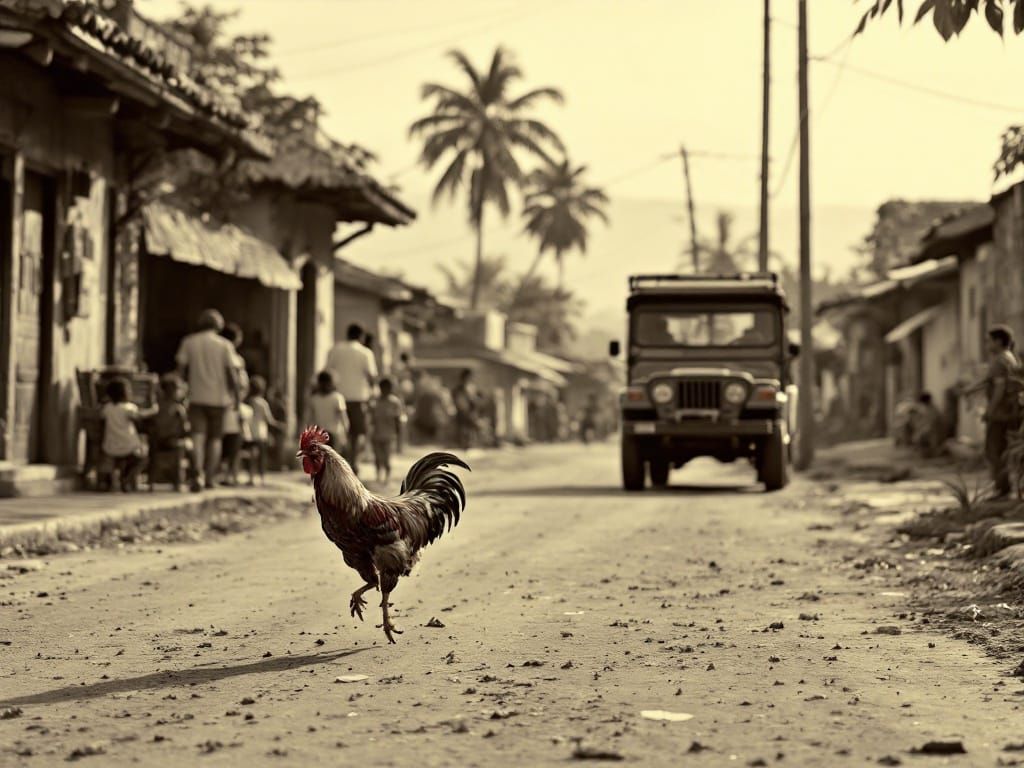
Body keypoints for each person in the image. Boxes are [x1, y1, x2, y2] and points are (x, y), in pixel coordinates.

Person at [175, 309, 240, 489]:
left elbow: (180, 372)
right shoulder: (225, 345)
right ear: (218, 325)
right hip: (219, 399)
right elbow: (231, 374)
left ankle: (197, 474)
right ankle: (210, 477)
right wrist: (237, 397)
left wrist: (180, 393)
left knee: (197, 437)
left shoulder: (188, 342)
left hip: (195, 396)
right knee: (215, 439)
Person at [964, 325, 1022, 497]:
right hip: (1010, 412)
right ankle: (1004, 488)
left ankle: (1002, 489)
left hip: (1001, 414)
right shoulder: (1008, 357)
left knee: (994, 451)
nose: (986, 345)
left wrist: (990, 411)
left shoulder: (1000, 360)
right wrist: (971, 389)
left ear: (998, 341)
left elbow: (999, 388)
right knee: (1002, 450)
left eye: (988, 341)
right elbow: (989, 381)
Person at [324, 323, 378, 476]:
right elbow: (372, 377)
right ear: (360, 336)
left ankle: (337, 464)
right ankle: (352, 463)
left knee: (337, 432)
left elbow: (327, 371)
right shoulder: (366, 353)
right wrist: (374, 395)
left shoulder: (335, 349)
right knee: (355, 433)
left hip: (336, 397)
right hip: (357, 399)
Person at [100, 377, 157, 492]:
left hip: (110, 447)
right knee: (143, 459)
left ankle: (110, 480)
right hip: (128, 447)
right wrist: (153, 410)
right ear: (125, 393)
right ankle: (127, 478)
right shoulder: (128, 408)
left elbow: (99, 417)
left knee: (117, 460)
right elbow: (140, 416)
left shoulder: (107, 408)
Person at [150, 373, 201, 492]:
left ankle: (155, 480)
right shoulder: (178, 409)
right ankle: (195, 477)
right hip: (172, 441)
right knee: (190, 448)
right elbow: (185, 428)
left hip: (157, 441)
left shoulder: (157, 406)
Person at [246, 375, 283, 485]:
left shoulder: (248, 401)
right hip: (261, 433)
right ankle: (262, 478)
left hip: (250, 432)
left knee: (252, 456)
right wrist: (280, 425)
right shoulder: (263, 403)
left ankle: (251, 477)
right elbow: (269, 420)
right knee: (261, 457)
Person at [370, 377, 407, 483]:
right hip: (376, 434)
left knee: (386, 457)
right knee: (377, 457)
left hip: (389, 435)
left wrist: (399, 433)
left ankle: (386, 476)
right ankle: (378, 475)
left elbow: (398, 419)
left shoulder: (394, 402)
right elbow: (371, 418)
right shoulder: (375, 402)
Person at [304, 370, 350, 452]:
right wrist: (345, 434)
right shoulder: (337, 398)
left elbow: (308, 418)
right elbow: (344, 419)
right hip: (334, 434)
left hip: (319, 433)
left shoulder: (314, 399)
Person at [451, 368, 478, 450]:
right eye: (469, 377)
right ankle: (463, 444)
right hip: (462, 414)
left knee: (469, 431)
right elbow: (458, 402)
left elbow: (474, 402)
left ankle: (468, 444)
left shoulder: (471, 388)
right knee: (463, 430)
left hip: (469, 414)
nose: (470, 379)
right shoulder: (459, 390)